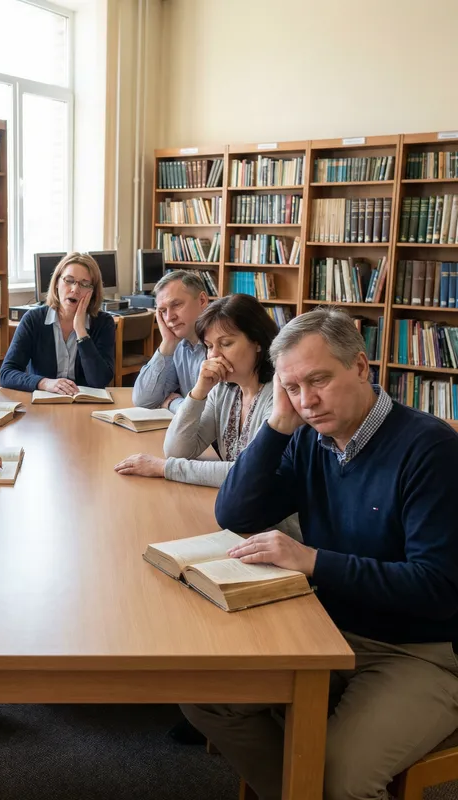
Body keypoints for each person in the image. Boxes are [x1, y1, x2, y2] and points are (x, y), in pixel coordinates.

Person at [181, 307, 458, 800]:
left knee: (340, 779)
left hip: (419, 651)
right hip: (325, 631)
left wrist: (312, 561)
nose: (307, 401)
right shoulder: (311, 437)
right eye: (292, 388)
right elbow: (236, 512)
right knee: (207, 698)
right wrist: (278, 424)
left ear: (360, 367)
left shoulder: (429, 449)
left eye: (319, 380)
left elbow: (437, 590)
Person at [115, 294, 276, 486]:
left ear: (257, 341)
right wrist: (199, 391)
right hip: (233, 504)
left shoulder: (279, 396)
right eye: (209, 346)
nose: (214, 355)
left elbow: (249, 473)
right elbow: (177, 450)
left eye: (226, 344)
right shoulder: (223, 390)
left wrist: (164, 468)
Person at [0, 252, 115, 393]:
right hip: (44, 404)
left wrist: (81, 331)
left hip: (85, 404)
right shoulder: (33, 320)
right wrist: (44, 383)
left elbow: (100, 381)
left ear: (93, 292)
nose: (75, 289)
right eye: (69, 280)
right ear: (56, 283)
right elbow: (7, 373)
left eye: (84, 284)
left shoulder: (104, 323)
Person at [131, 270, 209, 412]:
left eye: (176, 305)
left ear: (202, 301)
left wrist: (172, 402)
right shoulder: (179, 345)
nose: (169, 317)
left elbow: (208, 415)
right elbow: (143, 400)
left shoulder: (221, 345)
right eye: (163, 311)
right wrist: (167, 343)